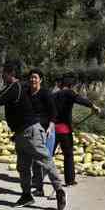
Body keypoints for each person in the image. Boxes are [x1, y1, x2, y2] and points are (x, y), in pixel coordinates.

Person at [0, 61, 67, 210]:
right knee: (23, 167)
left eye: (4, 74)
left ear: (9, 74)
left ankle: (59, 190)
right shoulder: (13, 88)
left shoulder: (15, 87)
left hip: (31, 131)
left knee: (44, 159)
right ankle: (26, 195)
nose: (2, 76)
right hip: (21, 133)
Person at [53, 76, 101, 186]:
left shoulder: (54, 95)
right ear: (71, 85)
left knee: (48, 155)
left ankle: (37, 179)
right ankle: (70, 180)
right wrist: (93, 106)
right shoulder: (69, 93)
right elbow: (80, 100)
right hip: (64, 130)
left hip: (53, 129)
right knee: (68, 155)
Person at [27, 69, 58, 197]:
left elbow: (53, 112)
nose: (33, 80)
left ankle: (57, 188)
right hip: (32, 131)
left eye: (35, 77)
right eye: (31, 77)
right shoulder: (27, 94)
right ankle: (39, 189)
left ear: (40, 80)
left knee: (46, 161)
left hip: (46, 131)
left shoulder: (46, 93)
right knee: (35, 161)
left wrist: (50, 127)